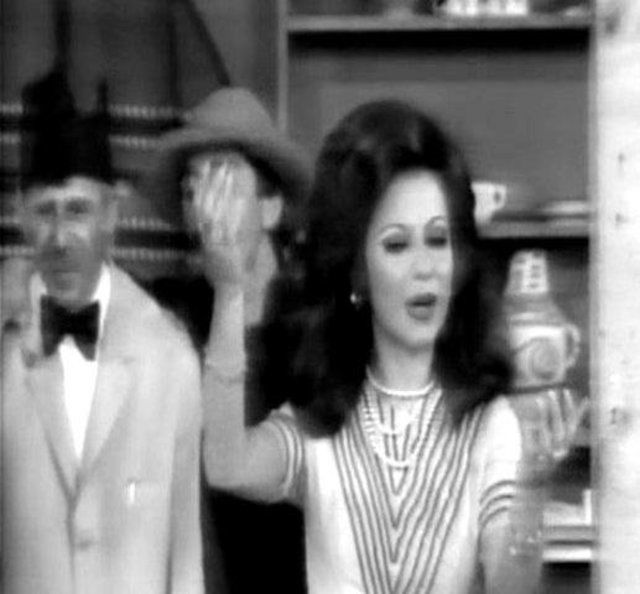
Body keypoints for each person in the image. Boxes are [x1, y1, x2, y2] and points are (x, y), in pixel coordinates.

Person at [199, 98, 542, 593]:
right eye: (397, 245)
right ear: (356, 271)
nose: (425, 268)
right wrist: (229, 292)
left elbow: (513, 589)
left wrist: (532, 487)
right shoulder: (322, 424)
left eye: (438, 240)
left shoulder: (487, 424)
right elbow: (226, 466)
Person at [0, 68, 204, 593]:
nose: (61, 237)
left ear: (112, 215)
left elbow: (186, 558)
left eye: (78, 211)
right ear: (19, 215)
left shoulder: (169, 356)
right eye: (45, 211)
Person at [148, 86, 312, 593]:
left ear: (270, 207)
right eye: (191, 189)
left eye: (222, 179)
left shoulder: (318, 321)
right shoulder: (168, 315)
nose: (205, 205)